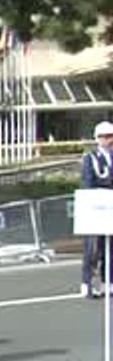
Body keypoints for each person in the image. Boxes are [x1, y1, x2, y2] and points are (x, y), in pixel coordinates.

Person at [80, 121, 113, 298]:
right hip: (97, 208)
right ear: (97, 139)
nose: (107, 140)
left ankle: (108, 282)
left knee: (110, 247)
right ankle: (87, 283)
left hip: (111, 208)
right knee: (92, 249)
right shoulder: (90, 158)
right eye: (103, 137)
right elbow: (88, 183)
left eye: (110, 136)